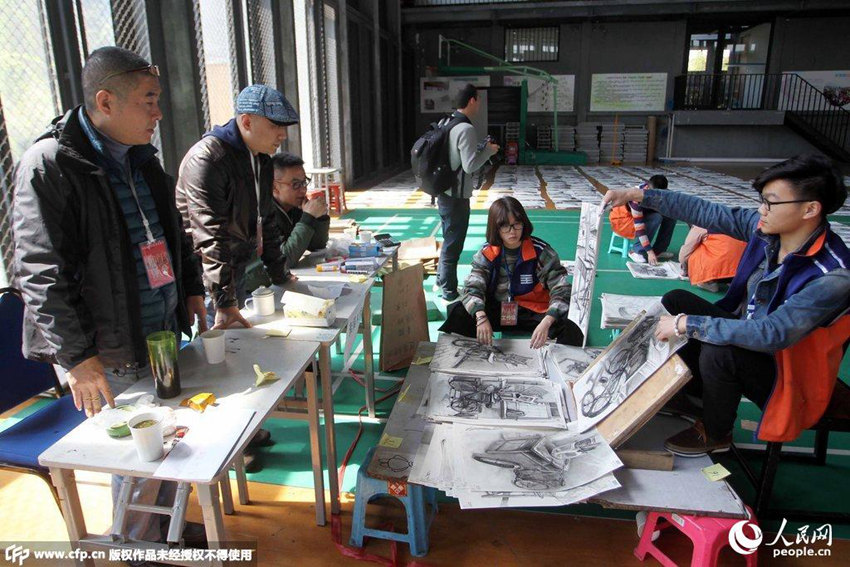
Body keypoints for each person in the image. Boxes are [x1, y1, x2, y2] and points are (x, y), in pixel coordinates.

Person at [12, 46, 207, 544]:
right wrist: (78, 358)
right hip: (106, 348)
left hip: (157, 331)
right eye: (149, 100)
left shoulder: (140, 160)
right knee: (136, 449)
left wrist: (189, 291)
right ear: (105, 101)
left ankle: (159, 529)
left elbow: (173, 235)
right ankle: (142, 545)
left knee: (165, 439)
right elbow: (38, 272)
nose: (159, 113)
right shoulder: (51, 165)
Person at [602, 154, 850, 457]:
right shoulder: (767, 230)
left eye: (771, 203)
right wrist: (636, 195)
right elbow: (707, 211)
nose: (762, 210)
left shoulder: (833, 276)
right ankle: (695, 394)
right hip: (755, 345)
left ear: (810, 209)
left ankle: (716, 431)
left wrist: (687, 324)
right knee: (676, 300)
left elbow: (771, 334)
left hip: (787, 372)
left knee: (720, 348)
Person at [176, 84, 298, 331]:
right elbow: (210, 236)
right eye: (275, 125)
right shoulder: (208, 159)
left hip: (234, 267)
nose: (282, 135)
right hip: (206, 275)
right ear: (246, 121)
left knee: (240, 340)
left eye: (284, 127)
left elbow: (267, 220)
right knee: (222, 347)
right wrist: (223, 301)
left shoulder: (260, 159)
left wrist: (280, 274)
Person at [440, 196, 584, 348]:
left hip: (532, 312)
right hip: (497, 310)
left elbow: (561, 289)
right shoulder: (487, 253)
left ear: (524, 223)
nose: (512, 232)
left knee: (570, 325)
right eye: (505, 226)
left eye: (517, 224)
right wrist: (481, 317)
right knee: (458, 312)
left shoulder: (540, 251)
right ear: (495, 228)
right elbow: (473, 287)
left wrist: (548, 320)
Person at [436, 83, 499, 302]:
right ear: (472, 100)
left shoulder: (447, 122)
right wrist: (489, 151)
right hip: (457, 197)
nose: (479, 104)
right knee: (454, 244)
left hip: (443, 192)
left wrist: (480, 148)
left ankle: (441, 280)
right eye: (478, 99)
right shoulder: (466, 128)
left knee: (448, 238)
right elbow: (470, 165)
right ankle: (450, 291)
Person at [266, 152, 330, 267]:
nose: (303, 190)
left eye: (304, 182)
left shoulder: (294, 207)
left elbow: (316, 245)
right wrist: (307, 218)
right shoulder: (265, 214)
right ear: (274, 187)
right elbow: (284, 260)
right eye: (295, 184)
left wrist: (319, 217)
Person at [615, 174, 676, 265]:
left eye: (659, 193)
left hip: (643, 215)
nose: (656, 195)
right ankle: (637, 251)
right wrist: (649, 252)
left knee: (671, 215)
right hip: (624, 220)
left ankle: (658, 250)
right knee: (656, 217)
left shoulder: (665, 193)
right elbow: (639, 228)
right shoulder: (635, 198)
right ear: (648, 186)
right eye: (653, 192)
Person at [678, 225, 747, 292]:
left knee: (695, 251)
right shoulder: (734, 219)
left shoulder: (700, 225)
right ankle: (731, 280)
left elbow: (684, 254)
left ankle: (708, 282)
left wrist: (686, 270)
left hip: (718, 271)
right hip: (742, 269)